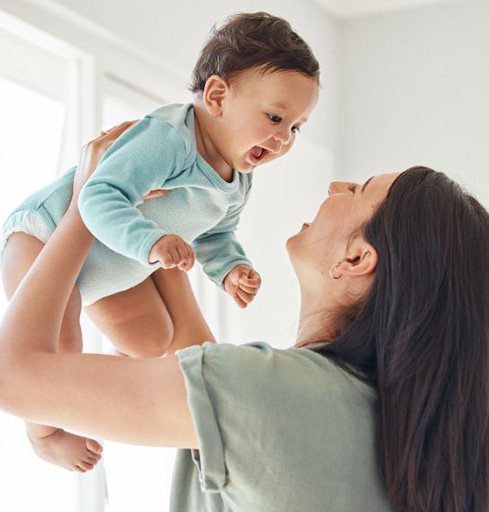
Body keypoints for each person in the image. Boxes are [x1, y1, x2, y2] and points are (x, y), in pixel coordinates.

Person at [1, 128, 487, 512]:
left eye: (357, 190)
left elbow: (12, 377)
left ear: (358, 258)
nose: (336, 186)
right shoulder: (389, 422)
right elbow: (191, 350)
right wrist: (159, 220)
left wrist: (86, 208)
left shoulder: (272, 391)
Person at [0, 11, 320, 471]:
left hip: (115, 258)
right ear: (216, 95)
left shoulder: (238, 178)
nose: (283, 138)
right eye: (275, 117)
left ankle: (109, 383)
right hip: (45, 235)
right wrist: (152, 244)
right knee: (60, 349)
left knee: (153, 340)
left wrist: (229, 268)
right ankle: (44, 434)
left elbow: (216, 232)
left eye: (295, 127)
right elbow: (99, 194)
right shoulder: (168, 139)